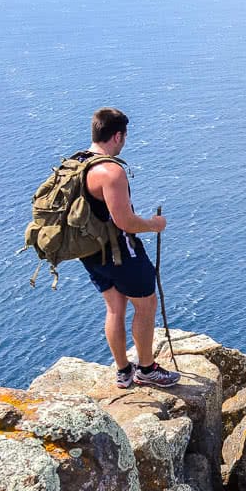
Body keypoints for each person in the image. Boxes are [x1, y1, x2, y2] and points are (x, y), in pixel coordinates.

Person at [78, 107, 180, 388]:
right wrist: (153, 224)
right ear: (118, 135)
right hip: (119, 252)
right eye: (124, 136)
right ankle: (146, 370)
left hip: (90, 252)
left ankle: (123, 371)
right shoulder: (111, 172)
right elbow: (124, 222)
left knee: (114, 307)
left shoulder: (78, 162)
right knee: (146, 305)